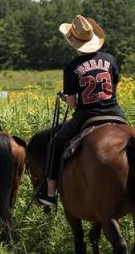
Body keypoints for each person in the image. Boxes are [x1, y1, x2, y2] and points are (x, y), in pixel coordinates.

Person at [35, 15, 126, 207]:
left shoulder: (72, 68)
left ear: (73, 42)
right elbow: (113, 91)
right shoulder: (111, 60)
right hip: (115, 113)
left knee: (55, 143)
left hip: (87, 115)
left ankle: (51, 193)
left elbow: (73, 104)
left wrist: (66, 98)